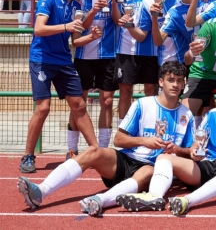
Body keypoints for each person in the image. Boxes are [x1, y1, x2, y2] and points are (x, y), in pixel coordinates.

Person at [18, 61, 195, 216]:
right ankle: (41, 191)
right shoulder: (142, 104)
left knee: (148, 171)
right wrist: (143, 140)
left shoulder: (186, 115)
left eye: (180, 81)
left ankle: (99, 200)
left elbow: (191, 152)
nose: (175, 85)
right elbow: (118, 140)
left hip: (153, 170)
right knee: (93, 151)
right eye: (171, 80)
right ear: (161, 82)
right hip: (126, 160)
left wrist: (177, 150)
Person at [117, 73, 216, 214]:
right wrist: (194, 152)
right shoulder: (212, 114)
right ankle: (154, 196)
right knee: (163, 157)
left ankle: (188, 200)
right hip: (208, 165)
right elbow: (197, 143)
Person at [19, 0, 100, 174]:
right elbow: (38, 29)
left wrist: (91, 36)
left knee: (79, 105)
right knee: (43, 107)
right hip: (42, 59)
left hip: (63, 59)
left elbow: (75, 40)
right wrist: (66, 27)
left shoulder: (77, 5)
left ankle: (95, 150)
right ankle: (28, 155)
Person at [72, 0, 123, 154]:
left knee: (108, 101)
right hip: (85, 54)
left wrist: (115, 4)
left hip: (110, 55)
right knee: (79, 102)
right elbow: (80, 25)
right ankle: (72, 148)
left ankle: (102, 149)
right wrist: (93, 10)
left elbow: (120, 21)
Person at [110, 0, 157, 127]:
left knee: (151, 91)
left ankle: (150, 130)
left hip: (153, 48)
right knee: (125, 92)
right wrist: (114, 4)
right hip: (127, 47)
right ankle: (123, 131)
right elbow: (116, 19)